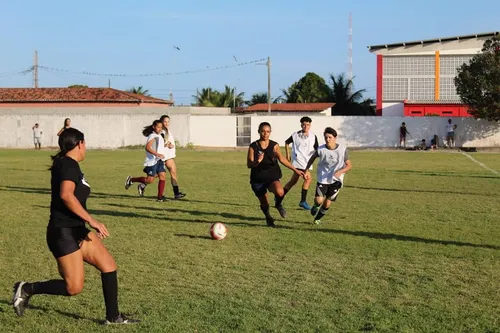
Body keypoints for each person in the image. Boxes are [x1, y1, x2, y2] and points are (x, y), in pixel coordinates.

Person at [11, 128, 138, 325]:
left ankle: (113, 317)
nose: (86, 148)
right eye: (85, 144)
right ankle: (27, 288)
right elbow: (66, 195)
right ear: (79, 144)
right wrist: (92, 220)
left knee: (108, 265)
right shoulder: (69, 165)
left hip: (77, 229)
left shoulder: (67, 163)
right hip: (63, 233)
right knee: (73, 288)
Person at [247, 122, 305, 227]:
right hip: (258, 179)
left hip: (271, 176)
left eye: (268, 131)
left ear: (270, 132)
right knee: (264, 203)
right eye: (263, 131)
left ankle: (278, 204)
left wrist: (296, 170)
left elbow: (282, 159)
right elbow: (249, 164)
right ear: (259, 132)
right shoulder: (253, 146)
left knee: (280, 192)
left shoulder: (274, 145)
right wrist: (257, 161)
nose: (265, 134)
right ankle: (268, 217)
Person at [304, 127, 352, 225]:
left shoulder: (343, 149)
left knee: (327, 202)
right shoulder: (321, 149)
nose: (327, 139)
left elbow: (349, 165)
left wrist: (340, 172)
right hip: (323, 177)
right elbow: (312, 158)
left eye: (330, 137)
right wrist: (306, 169)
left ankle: (317, 219)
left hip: (336, 180)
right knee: (319, 200)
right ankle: (316, 205)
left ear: (335, 138)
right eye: (326, 137)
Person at [137, 115, 186, 199]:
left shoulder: (166, 130)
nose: (167, 123)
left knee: (172, 173)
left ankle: (176, 193)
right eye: (165, 121)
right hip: (162, 156)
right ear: (161, 122)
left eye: (168, 122)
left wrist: (169, 145)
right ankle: (142, 185)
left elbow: (165, 142)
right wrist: (166, 146)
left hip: (169, 155)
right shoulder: (161, 132)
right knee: (155, 176)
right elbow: (160, 143)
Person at [125, 120, 168, 202]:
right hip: (152, 161)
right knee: (149, 180)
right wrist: (157, 154)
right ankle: (131, 180)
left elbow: (159, 146)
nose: (160, 129)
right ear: (154, 127)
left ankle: (160, 198)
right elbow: (147, 147)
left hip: (159, 160)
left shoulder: (160, 136)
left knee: (162, 176)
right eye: (158, 127)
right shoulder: (152, 135)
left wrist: (167, 145)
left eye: (161, 128)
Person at [282, 116, 318, 210]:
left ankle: (279, 196)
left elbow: (317, 148)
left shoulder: (313, 136)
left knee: (293, 181)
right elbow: (286, 142)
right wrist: (288, 154)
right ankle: (303, 201)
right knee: (308, 179)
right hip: (299, 161)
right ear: (301, 125)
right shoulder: (295, 135)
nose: (306, 126)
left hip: (307, 161)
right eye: (304, 124)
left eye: (308, 124)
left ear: (310, 125)